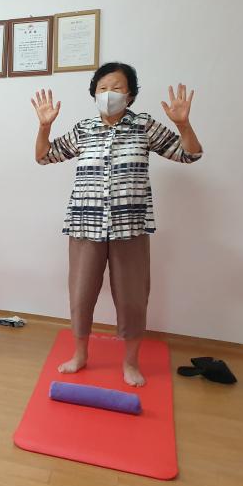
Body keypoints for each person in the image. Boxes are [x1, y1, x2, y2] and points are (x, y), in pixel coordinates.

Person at [33, 63, 203, 386]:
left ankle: (131, 362)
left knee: (132, 298)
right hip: (86, 224)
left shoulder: (144, 126)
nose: (108, 93)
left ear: (130, 94)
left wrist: (184, 125)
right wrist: (44, 128)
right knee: (81, 296)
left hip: (130, 226)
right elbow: (44, 156)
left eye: (117, 87)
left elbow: (190, 155)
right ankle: (80, 355)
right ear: (94, 93)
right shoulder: (84, 129)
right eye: (102, 88)